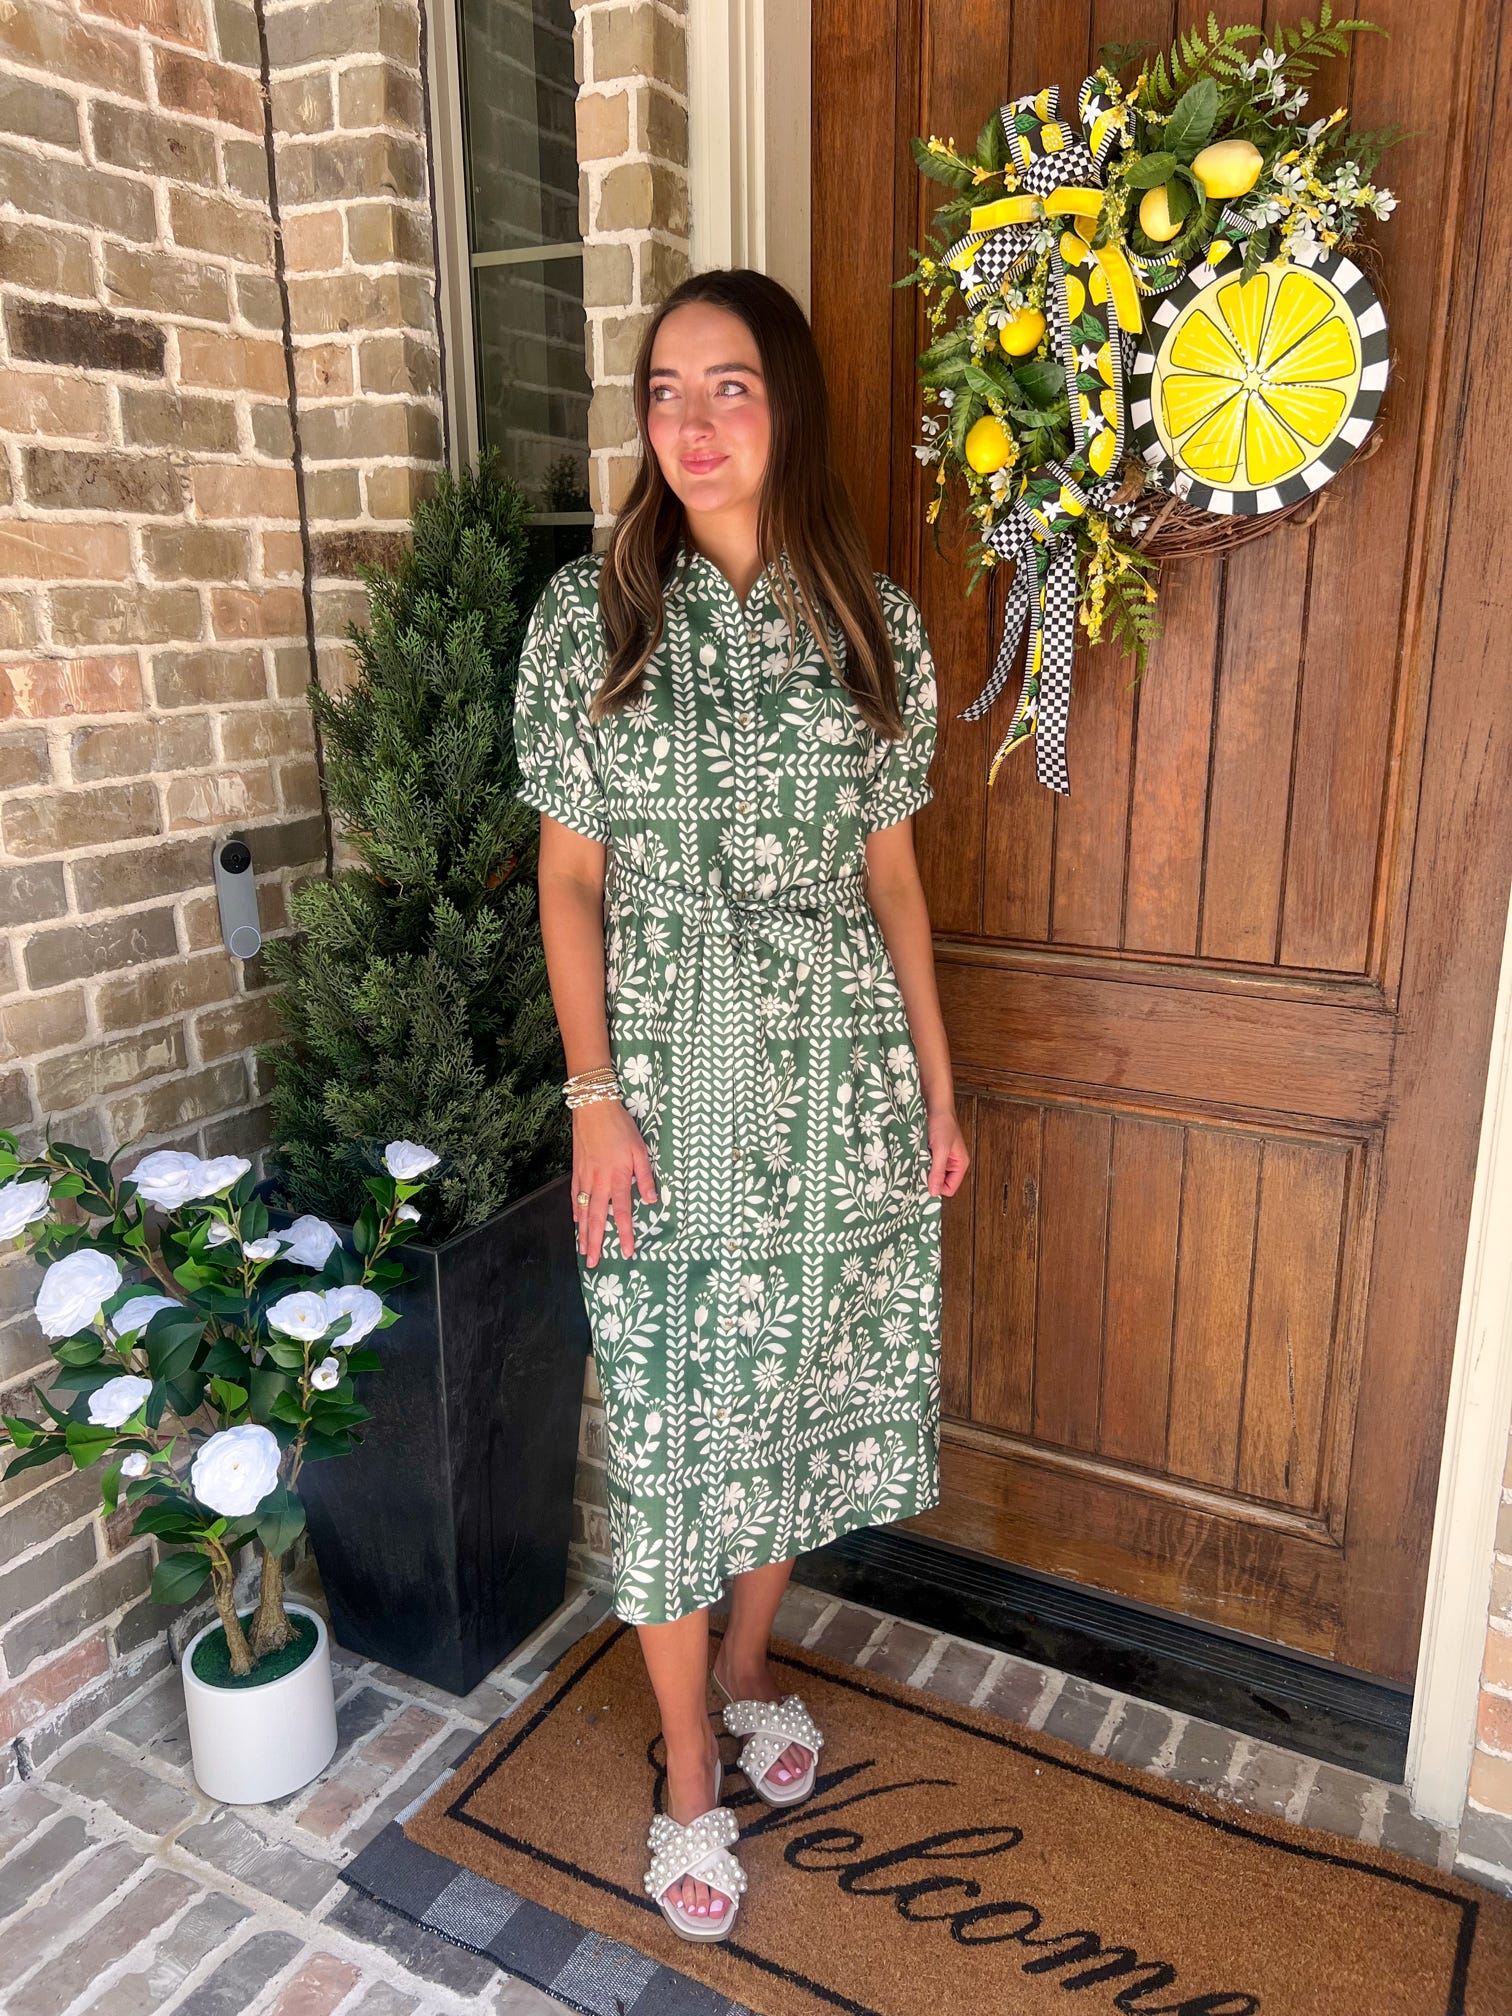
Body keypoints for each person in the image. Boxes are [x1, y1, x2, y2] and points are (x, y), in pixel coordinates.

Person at [512, 267, 969, 1942]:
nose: (690, 424)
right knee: (667, 1414)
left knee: (792, 1384)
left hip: (836, 1069)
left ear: (787, 407)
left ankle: (757, 1664)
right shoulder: (592, 616)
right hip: (664, 1081)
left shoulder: (870, 622)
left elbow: (895, 877)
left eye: (729, 388)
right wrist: (591, 1097)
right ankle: (688, 1773)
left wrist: (934, 1074)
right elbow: (569, 884)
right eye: (661, 391)